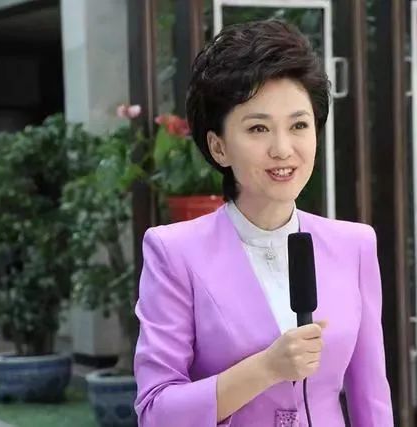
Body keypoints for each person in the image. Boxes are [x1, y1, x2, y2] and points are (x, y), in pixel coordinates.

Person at [133, 20, 393, 427]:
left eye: (299, 125)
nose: (283, 149)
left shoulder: (354, 246)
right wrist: (266, 368)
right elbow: (156, 412)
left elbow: (371, 401)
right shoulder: (175, 252)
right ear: (218, 147)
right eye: (258, 128)